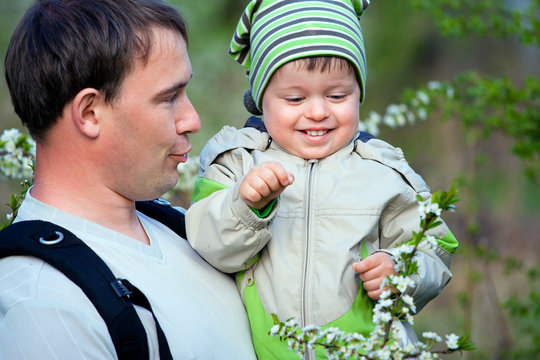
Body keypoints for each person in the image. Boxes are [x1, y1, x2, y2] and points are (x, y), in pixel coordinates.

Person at [186, 0, 459, 358]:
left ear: (359, 92)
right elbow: (207, 245)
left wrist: (402, 271)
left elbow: (434, 247)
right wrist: (244, 205)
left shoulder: (382, 171)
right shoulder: (236, 160)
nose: (317, 112)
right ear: (260, 99)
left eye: (337, 95)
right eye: (295, 98)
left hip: (368, 351)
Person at [0, 0, 256, 359]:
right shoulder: (44, 304)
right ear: (90, 113)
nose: (192, 120)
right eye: (169, 98)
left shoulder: (181, 226)